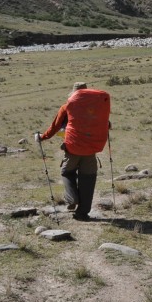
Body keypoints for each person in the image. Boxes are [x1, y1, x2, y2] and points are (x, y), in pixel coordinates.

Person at [35, 82, 110, 221]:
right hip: (91, 150)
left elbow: (55, 127)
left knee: (67, 172)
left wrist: (42, 137)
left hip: (73, 149)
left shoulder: (67, 106)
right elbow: (106, 123)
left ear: (74, 93)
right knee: (88, 179)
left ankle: (72, 199)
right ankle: (82, 213)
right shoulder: (96, 107)